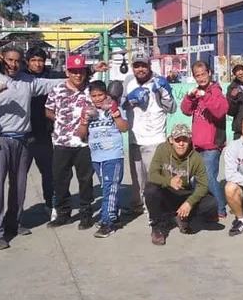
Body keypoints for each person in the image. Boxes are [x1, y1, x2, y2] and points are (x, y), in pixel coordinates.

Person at [0, 46, 67, 250]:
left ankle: (14, 223)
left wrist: (80, 75)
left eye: (17, 61)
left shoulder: (27, 81)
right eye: (10, 60)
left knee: (19, 186)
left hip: (23, 140)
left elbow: (50, 84)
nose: (13, 64)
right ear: (2, 60)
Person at [44, 54, 97, 231]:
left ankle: (86, 214)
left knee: (86, 180)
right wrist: (63, 122)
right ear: (67, 72)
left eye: (80, 71)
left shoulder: (92, 90)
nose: (77, 75)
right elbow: (49, 111)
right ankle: (63, 214)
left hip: (84, 144)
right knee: (60, 180)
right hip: (62, 142)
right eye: (74, 72)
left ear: (85, 72)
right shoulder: (57, 89)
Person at [122, 55, 177, 217]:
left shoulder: (159, 82)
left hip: (155, 138)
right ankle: (138, 205)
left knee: (155, 177)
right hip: (134, 138)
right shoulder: (129, 81)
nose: (140, 69)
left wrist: (164, 91)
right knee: (137, 177)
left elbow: (172, 109)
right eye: (137, 65)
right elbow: (122, 104)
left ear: (149, 66)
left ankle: (157, 208)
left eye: (143, 65)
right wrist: (130, 101)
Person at [144, 123, 217, 245]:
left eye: (185, 140)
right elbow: (152, 175)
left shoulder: (196, 158)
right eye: (178, 140)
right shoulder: (162, 150)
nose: (181, 144)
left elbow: (203, 184)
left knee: (211, 203)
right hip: (166, 191)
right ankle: (157, 227)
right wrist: (169, 181)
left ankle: (183, 217)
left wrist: (190, 202)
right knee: (150, 190)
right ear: (171, 140)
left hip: (184, 193)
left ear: (189, 140)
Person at [77, 80, 129, 238]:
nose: (98, 98)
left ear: (106, 94)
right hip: (96, 157)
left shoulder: (114, 107)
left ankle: (107, 222)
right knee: (107, 188)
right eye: (94, 96)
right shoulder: (89, 111)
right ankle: (114, 217)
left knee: (109, 189)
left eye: (100, 95)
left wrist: (116, 114)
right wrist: (84, 120)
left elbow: (124, 128)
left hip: (113, 156)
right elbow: (81, 135)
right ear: (90, 96)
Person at [181, 61, 229, 219]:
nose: (200, 78)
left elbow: (221, 111)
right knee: (198, 178)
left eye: (203, 74)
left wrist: (205, 96)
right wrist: (189, 97)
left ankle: (220, 208)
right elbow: (186, 111)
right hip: (198, 144)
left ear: (209, 73)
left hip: (212, 144)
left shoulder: (215, 90)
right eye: (197, 75)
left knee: (208, 176)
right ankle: (203, 208)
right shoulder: (196, 92)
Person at [24, 46, 63, 219]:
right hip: (23, 135)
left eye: (40, 60)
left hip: (44, 134)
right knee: (18, 176)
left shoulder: (50, 76)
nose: (38, 64)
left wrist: (92, 70)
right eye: (34, 60)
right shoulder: (20, 77)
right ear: (27, 62)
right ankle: (16, 212)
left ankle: (50, 204)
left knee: (49, 172)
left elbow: (69, 78)